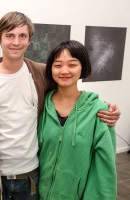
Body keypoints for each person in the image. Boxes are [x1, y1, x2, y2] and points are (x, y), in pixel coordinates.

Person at [0, 11, 120, 200]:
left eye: (22, 35)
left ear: (29, 40)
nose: (16, 42)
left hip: (33, 174)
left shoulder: (40, 73)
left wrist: (107, 107)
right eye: (10, 35)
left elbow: (69, 90)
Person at [38, 40, 117, 199]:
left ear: (83, 67)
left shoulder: (98, 111)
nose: (64, 71)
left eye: (72, 65)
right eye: (58, 65)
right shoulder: (42, 106)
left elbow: (104, 167)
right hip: (40, 193)